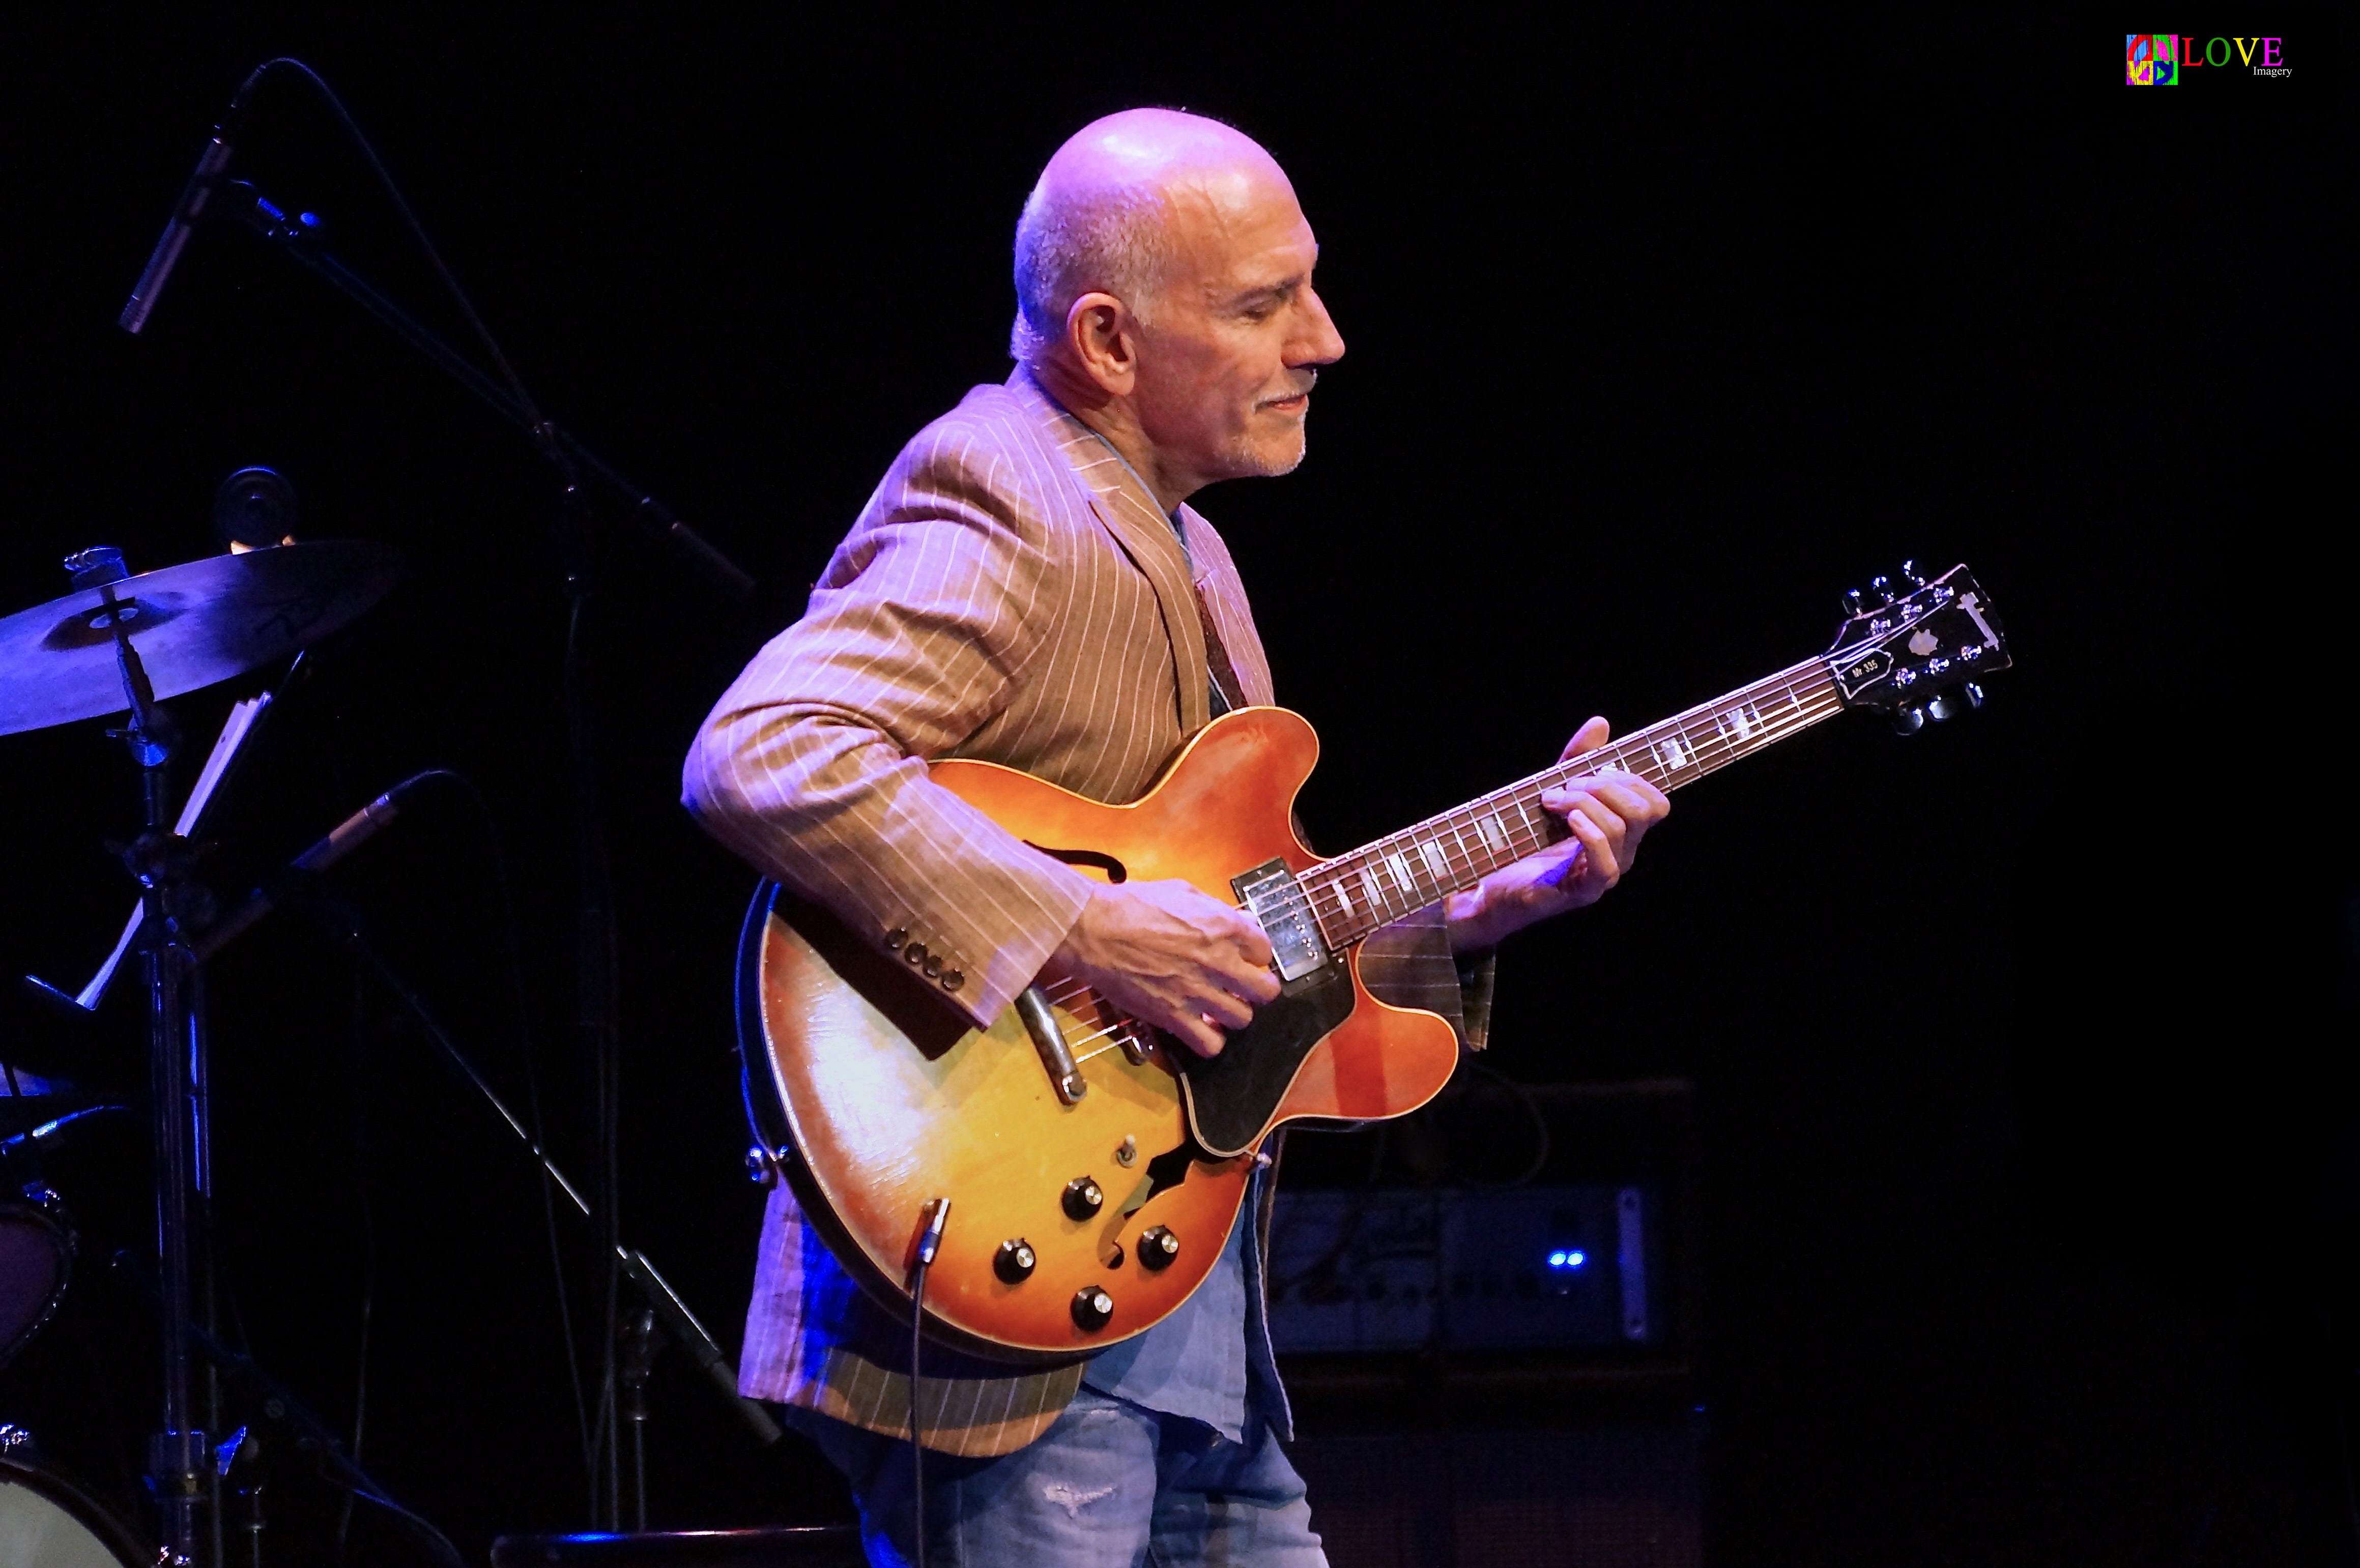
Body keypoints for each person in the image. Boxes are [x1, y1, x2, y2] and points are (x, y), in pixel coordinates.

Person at [683, 107, 1669, 1567]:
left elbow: (1230, 937)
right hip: (1016, 1325)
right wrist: (1082, 929)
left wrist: (1479, 914)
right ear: (1109, 338)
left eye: (1311, 288)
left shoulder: (1194, 544)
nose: (1324, 339)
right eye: (1265, 305)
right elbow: (758, 753)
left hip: (1187, 1304)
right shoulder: (1008, 492)